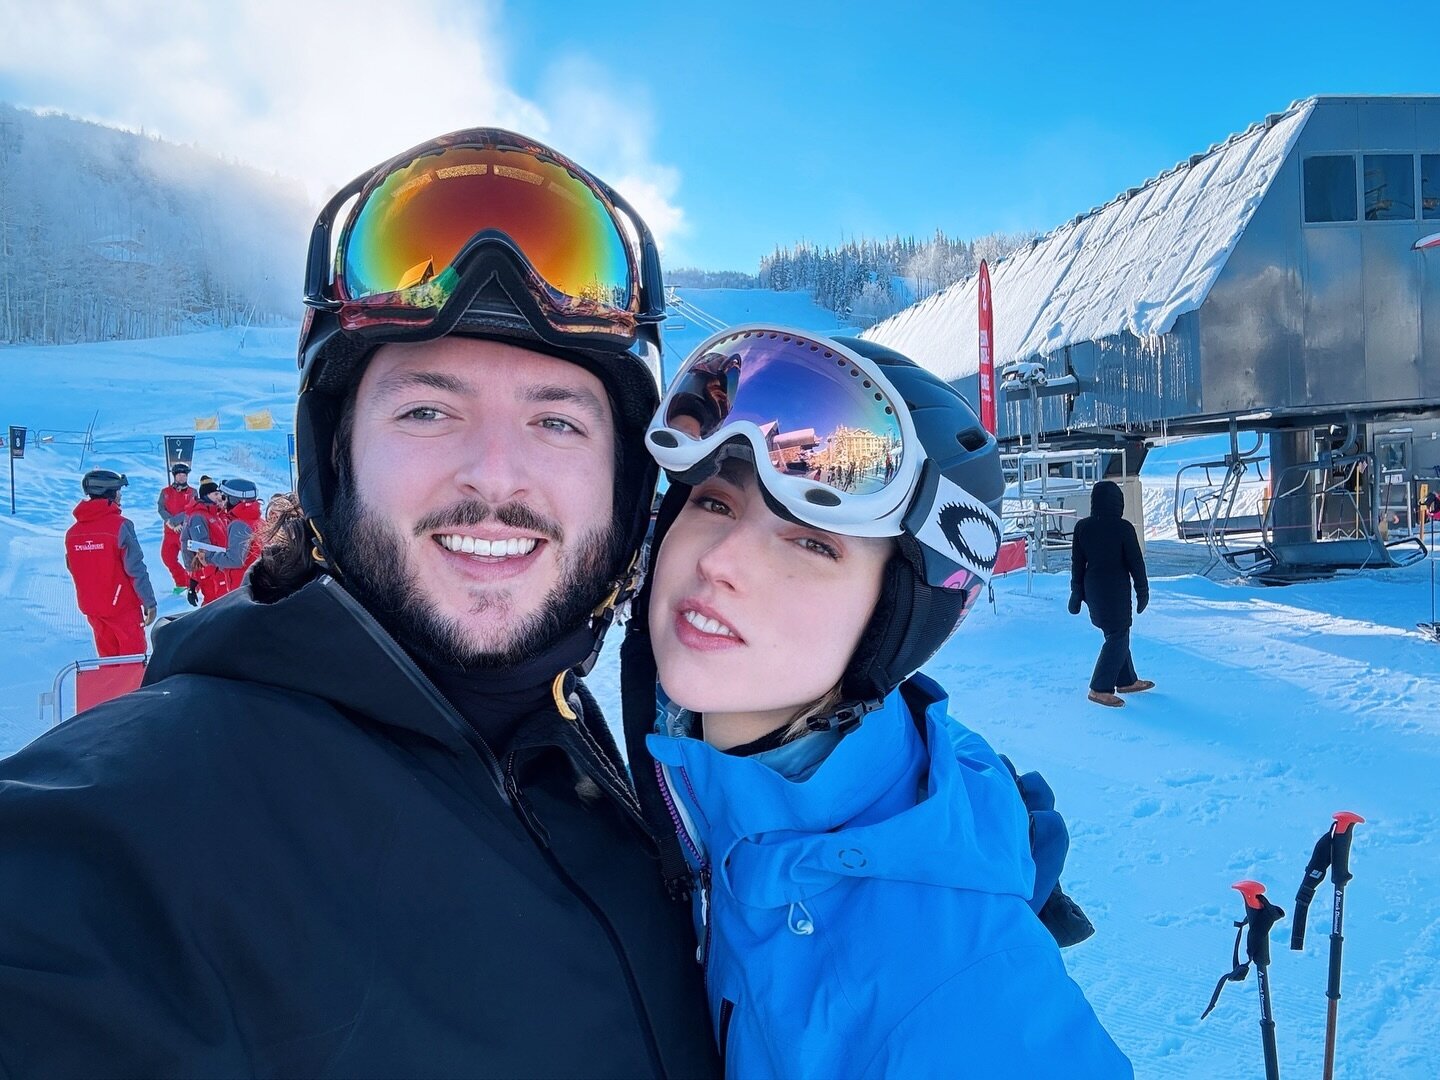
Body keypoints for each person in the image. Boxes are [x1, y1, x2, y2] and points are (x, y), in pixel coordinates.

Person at [0, 128, 715, 1076]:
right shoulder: (142, 834)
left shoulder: (583, 755)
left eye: (556, 419)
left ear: (624, 484)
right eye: (426, 409)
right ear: (334, 456)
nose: (494, 474)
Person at [621, 327, 1131, 1077]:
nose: (718, 560)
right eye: (714, 503)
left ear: (900, 617)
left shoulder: (961, 1001)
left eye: (812, 544)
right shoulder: (704, 795)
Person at [1068, 479, 1152, 707]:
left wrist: (1076, 593)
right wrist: (1142, 591)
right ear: (1118, 502)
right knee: (1118, 636)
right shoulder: (1123, 528)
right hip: (1115, 592)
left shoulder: (1082, 527)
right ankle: (1099, 688)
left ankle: (1126, 680)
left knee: (1116, 634)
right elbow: (1136, 563)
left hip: (1093, 591)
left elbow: (1077, 564)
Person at [63, 469, 157, 657]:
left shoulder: (72, 533)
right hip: (123, 608)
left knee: (108, 662)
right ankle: (133, 688)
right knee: (133, 662)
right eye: (118, 491)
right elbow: (135, 569)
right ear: (110, 493)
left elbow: (74, 569)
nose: (120, 495)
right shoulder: (121, 526)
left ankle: (112, 688)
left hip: (93, 609)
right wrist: (149, 601)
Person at [180, 476, 231, 606]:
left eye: (220, 493)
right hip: (212, 570)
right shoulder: (198, 516)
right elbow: (201, 547)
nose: (219, 497)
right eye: (216, 494)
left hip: (220, 567)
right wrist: (194, 580)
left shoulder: (216, 514)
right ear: (206, 496)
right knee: (215, 605)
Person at [207, 477, 263, 591]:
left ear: (234, 500)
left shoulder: (240, 524)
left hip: (242, 587)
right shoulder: (257, 520)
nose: (223, 502)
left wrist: (209, 557)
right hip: (255, 583)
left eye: (224, 497)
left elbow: (235, 560)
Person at [155, 462, 197, 595]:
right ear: (174, 476)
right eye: (179, 474)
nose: (181, 477)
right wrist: (169, 521)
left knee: (190, 560)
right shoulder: (165, 492)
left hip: (185, 532)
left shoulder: (192, 492)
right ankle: (181, 581)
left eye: (184, 475)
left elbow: (191, 510)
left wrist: (176, 522)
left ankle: (194, 584)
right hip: (169, 532)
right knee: (167, 557)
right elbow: (161, 508)